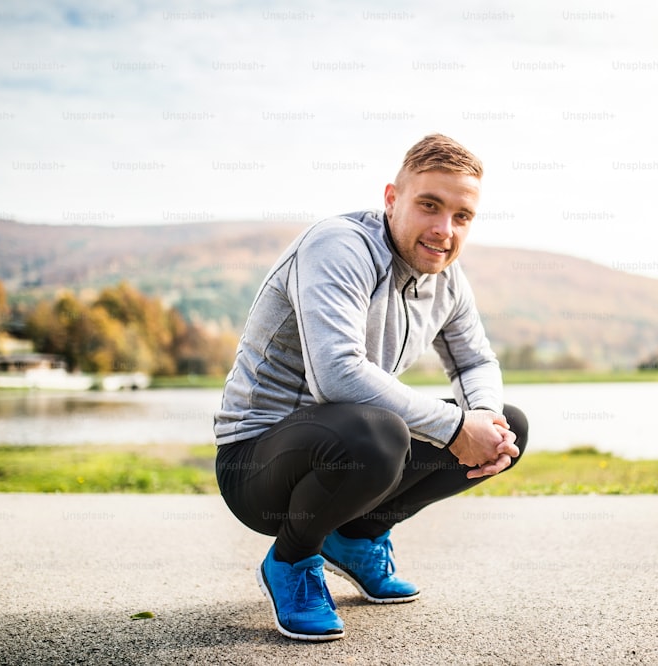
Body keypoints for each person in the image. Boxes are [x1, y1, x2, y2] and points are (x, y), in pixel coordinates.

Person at [213, 133, 529, 642]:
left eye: (461, 216)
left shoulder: (448, 278)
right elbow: (337, 373)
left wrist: (482, 419)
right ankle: (292, 560)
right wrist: (453, 427)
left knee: (507, 425)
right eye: (430, 205)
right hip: (256, 463)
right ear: (391, 199)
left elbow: (475, 361)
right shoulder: (339, 246)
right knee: (378, 432)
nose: (443, 229)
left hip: (347, 444)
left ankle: (355, 539)